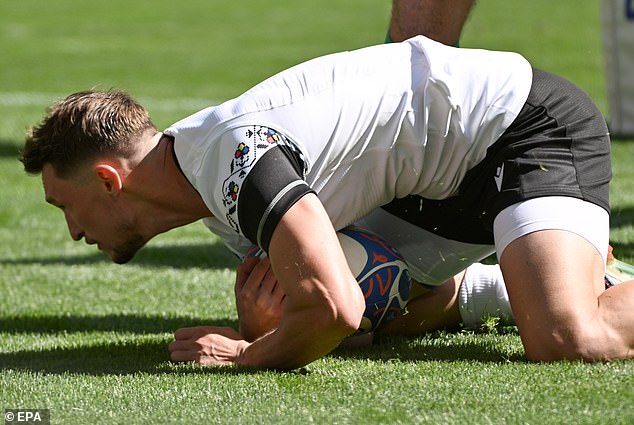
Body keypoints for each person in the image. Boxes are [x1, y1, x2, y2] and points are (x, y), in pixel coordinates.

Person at [22, 36, 634, 369]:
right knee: (318, 302)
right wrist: (283, 325)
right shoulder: (216, 199)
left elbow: (336, 311)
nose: (74, 232)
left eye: (64, 206)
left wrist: (249, 352)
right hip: (431, 195)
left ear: (108, 181)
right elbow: (353, 316)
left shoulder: (235, 161)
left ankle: (560, 267)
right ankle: (533, 275)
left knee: (564, 338)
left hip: (518, 129)